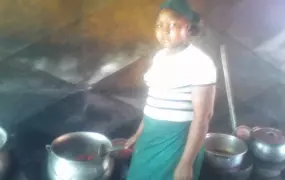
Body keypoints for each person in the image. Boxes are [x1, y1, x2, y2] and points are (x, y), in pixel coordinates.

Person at [125, 0, 217, 179]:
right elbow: (154, 101)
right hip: (150, 137)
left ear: (188, 28)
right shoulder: (159, 57)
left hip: (177, 142)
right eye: (159, 25)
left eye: (173, 25)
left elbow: (203, 117)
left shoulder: (199, 62)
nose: (164, 31)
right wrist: (138, 134)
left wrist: (186, 163)